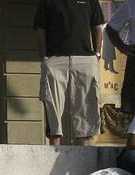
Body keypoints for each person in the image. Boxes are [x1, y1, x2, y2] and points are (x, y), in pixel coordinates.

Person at [33, 0, 105, 145]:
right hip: (55, 58)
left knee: (86, 103)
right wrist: (44, 58)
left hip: (85, 58)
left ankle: (83, 152)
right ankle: (53, 149)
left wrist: (97, 53)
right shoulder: (46, 2)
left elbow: (97, 26)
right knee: (52, 102)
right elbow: (40, 30)